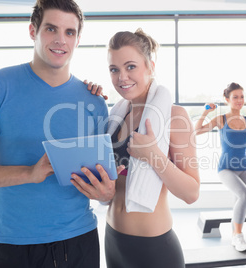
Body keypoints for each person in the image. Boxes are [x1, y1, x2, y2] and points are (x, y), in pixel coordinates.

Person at [0, 1, 109, 267]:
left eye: (70, 32)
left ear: (78, 39)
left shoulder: (95, 102)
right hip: (13, 246)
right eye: (51, 29)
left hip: (80, 242)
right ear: (32, 31)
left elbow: (105, 184)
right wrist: (29, 173)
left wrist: (106, 194)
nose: (61, 40)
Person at [71, 29, 200, 268]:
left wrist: (153, 155)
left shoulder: (174, 116)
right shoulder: (115, 116)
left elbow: (191, 193)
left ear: (150, 66)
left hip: (154, 249)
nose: (122, 77)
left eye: (131, 67)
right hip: (113, 241)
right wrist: (88, 97)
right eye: (114, 69)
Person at [194, 82, 246, 252]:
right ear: (227, 99)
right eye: (235, 97)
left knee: (240, 200)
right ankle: (238, 236)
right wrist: (205, 112)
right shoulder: (220, 119)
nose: (239, 100)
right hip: (225, 168)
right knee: (245, 195)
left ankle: (234, 235)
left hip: (244, 166)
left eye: (241, 97)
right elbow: (197, 130)